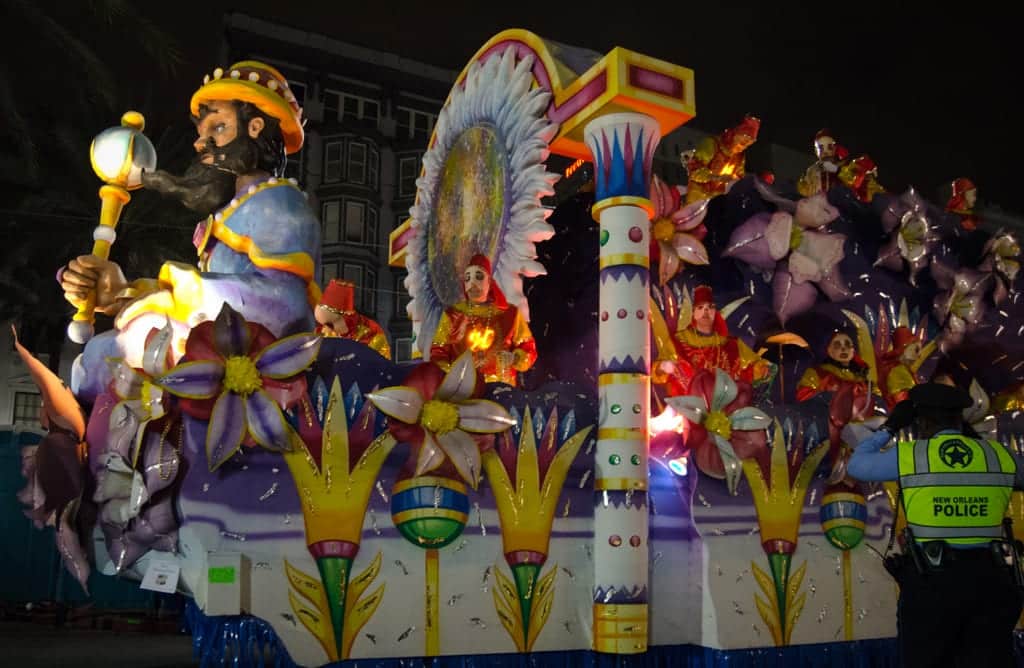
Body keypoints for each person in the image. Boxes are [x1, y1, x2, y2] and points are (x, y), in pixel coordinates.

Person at [59, 61, 320, 403]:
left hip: (256, 365)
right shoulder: (228, 210)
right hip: (221, 349)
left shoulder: (278, 201)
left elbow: (285, 304)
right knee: (102, 355)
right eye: (201, 132)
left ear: (254, 128)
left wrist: (183, 289)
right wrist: (123, 291)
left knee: (121, 349)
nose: (200, 143)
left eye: (218, 127)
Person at [848, 383, 1024, 667]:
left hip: (934, 585)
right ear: (960, 418)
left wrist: (891, 427)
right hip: (992, 583)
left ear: (921, 422)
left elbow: (857, 465)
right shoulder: (998, 455)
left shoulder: (911, 455)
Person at [429, 254, 537, 386]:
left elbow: (529, 349)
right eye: (467, 278)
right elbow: (437, 353)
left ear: (489, 282)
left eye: (479, 277)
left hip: (501, 388)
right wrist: (453, 375)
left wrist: (515, 358)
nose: (472, 284)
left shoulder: (510, 314)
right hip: (462, 390)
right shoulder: (454, 315)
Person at [797, 328, 879, 481]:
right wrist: (832, 399)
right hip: (829, 432)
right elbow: (803, 397)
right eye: (837, 345)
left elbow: (878, 402)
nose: (843, 348)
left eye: (848, 344)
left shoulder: (863, 379)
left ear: (854, 350)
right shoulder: (818, 374)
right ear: (828, 350)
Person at [662, 285, 769, 394]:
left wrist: (760, 369)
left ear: (715, 312)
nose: (706, 311)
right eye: (700, 307)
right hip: (687, 406)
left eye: (710, 307)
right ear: (693, 313)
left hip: (723, 406)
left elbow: (755, 364)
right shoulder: (679, 341)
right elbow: (659, 370)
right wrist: (662, 368)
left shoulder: (731, 344)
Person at [681, 115, 760, 204]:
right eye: (741, 143)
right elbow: (695, 169)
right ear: (732, 134)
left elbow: (739, 177)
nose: (743, 147)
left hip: (719, 199)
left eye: (747, 145)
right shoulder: (712, 144)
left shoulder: (739, 156)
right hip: (698, 196)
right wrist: (717, 177)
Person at [315, 279, 391, 359]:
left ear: (345, 316)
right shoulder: (323, 332)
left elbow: (382, 365)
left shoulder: (371, 333)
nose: (326, 329)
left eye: (329, 325)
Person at [796, 128, 849, 197]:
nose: (825, 152)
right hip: (815, 201)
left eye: (829, 147)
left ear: (835, 148)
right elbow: (804, 187)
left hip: (836, 202)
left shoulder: (841, 166)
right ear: (816, 150)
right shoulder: (812, 169)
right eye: (821, 148)